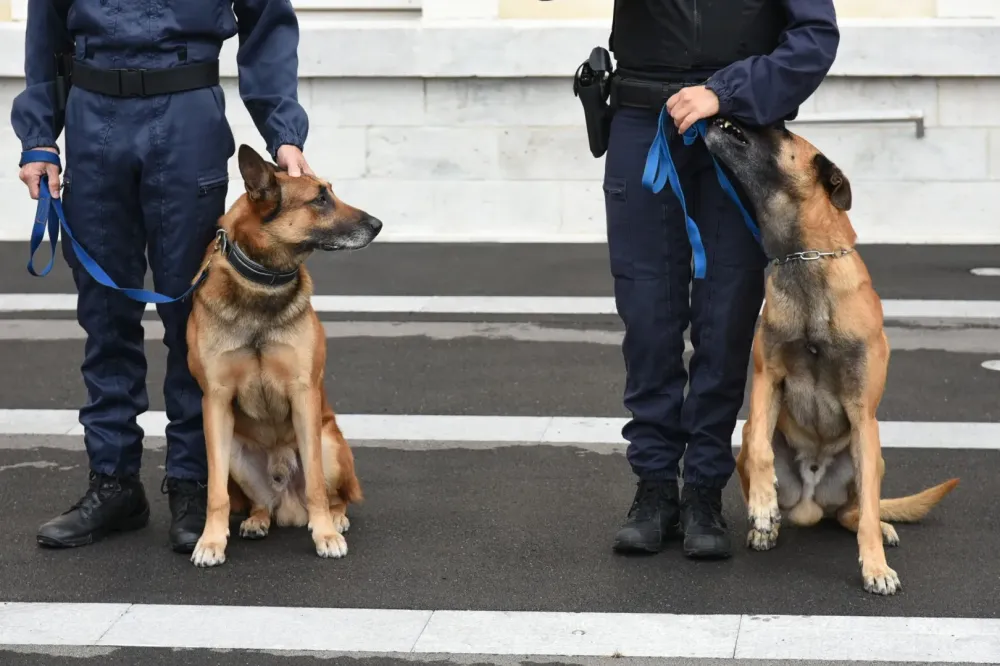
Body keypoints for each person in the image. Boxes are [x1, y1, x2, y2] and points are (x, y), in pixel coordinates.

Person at [12, 0, 313, 554]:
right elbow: (46, 30)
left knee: (194, 319)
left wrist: (283, 131)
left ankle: (194, 484)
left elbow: (267, 22)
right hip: (92, 116)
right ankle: (114, 482)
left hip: (185, 115)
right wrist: (38, 137)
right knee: (105, 319)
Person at [604, 0, 840, 559]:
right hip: (645, 118)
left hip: (739, 133)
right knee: (647, 313)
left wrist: (727, 91)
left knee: (727, 315)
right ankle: (656, 486)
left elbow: (814, 37)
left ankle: (704, 490)